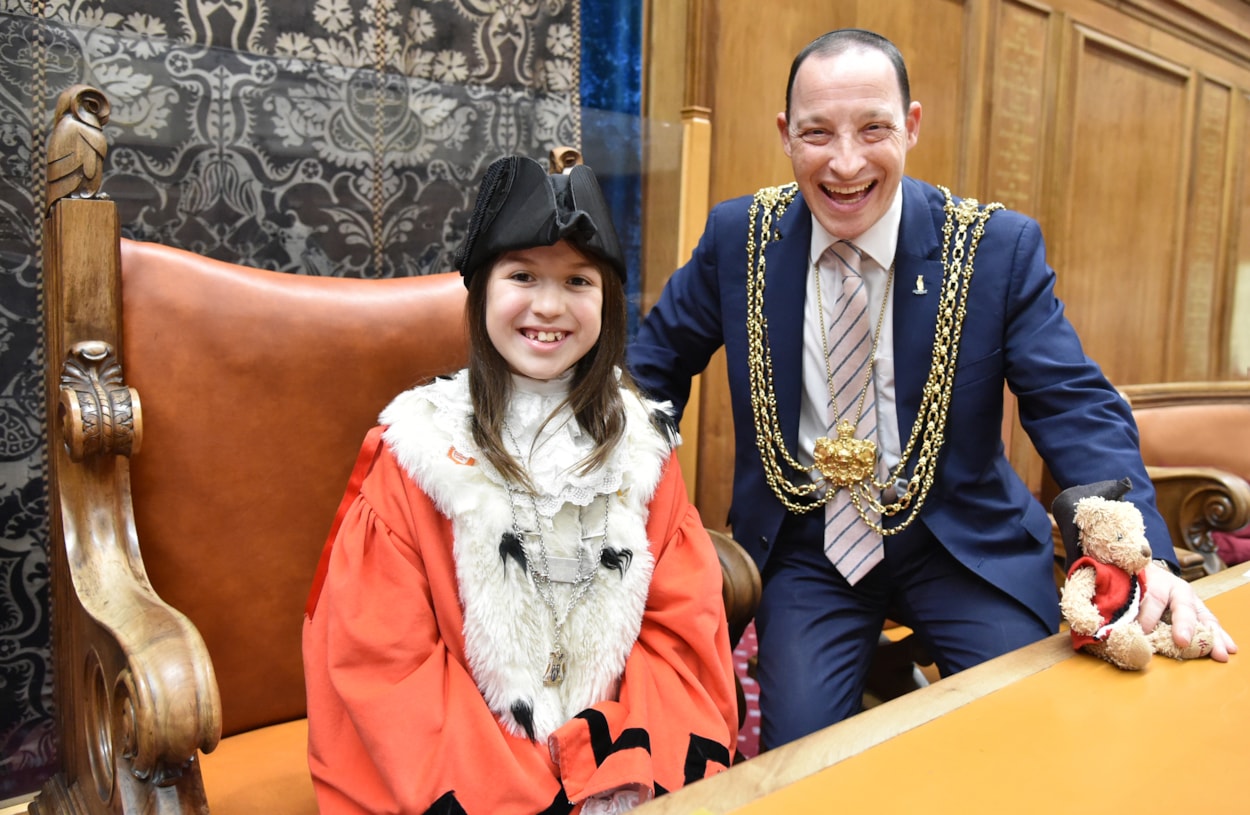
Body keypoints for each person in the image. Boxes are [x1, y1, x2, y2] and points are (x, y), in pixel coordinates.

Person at [627, 28, 1237, 751]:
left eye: (873, 129)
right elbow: (651, 369)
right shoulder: (740, 238)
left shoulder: (993, 249)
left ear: (911, 126)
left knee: (1029, 733)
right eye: (817, 133)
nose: (845, 162)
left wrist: (1143, 555)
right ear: (786, 134)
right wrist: (608, 498)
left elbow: (1072, 401)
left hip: (963, 541)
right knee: (799, 756)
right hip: (811, 550)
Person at [303, 153, 738, 815]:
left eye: (578, 280)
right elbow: (384, 663)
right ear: (482, 289)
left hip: (621, 777)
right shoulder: (416, 453)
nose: (549, 305)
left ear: (608, 301)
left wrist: (606, 772)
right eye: (523, 275)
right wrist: (539, 794)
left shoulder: (642, 452)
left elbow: (682, 634)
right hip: (469, 780)